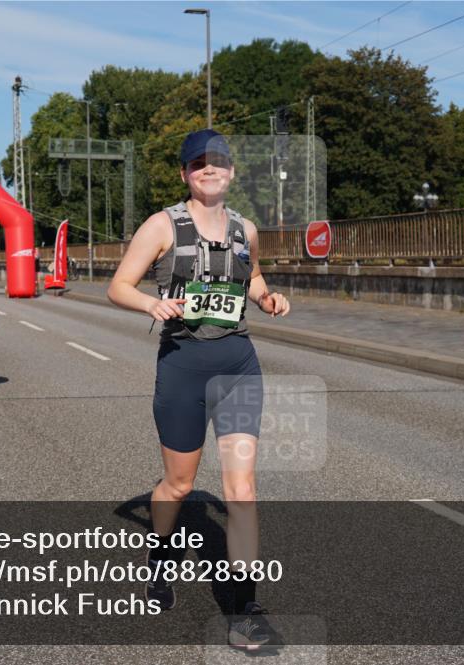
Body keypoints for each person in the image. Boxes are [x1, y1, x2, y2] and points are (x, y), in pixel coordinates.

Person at [107, 129, 290, 650]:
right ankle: (161, 554)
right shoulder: (162, 224)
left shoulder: (245, 228)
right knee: (179, 487)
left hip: (237, 362)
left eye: (219, 163)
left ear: (231, 170)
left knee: (242, 490)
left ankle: (244, 609)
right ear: (186, 173)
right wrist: (151, 305)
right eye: (198, 164)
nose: (210, 171)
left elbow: (250, 276)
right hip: (183, 365)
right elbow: (118, 285)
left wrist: (266, 297)